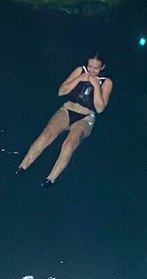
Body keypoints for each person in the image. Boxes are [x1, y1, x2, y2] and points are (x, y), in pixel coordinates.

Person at [16, 52, 112, 185]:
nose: (91, 70)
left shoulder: (106, 82)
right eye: (90, 66)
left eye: (95, 68)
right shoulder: (80, 71)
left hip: (85, 117)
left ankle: (50, 179)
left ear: (102, 68)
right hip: (67, 110)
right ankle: (22, 166)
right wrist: (79, 79)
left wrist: (95, 85)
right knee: (47, 135)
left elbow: (100, 108)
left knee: (69, 144)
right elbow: (61, 91)